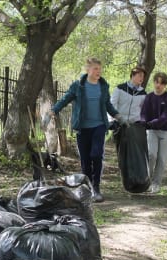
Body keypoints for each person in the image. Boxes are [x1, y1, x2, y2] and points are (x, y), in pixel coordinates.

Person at [48, 57, 123, 202]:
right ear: (87, 70)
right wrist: (54, 110)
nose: (98, 72)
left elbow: (107, 104)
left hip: (99, 125)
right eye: (95, 69)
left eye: (99, 69)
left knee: (96, 154)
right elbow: (66, 99)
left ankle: (96, 187)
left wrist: (117, 115)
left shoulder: (103, 86)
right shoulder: (78, 86)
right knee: (85, 159)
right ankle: (87, 186)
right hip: (82, 127)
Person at [140, 72, 167, 194]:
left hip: (166, 131)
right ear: (154, 82)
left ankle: (156, 183)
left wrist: (151, 122)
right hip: (151, 131)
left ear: (165, 85)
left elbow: (165, 116)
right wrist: (144, 122)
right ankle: (146, 182)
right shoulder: (149, 97)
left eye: (162, 83)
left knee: (162, 159)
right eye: (157, 82)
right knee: (151, 154)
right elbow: (143, 113)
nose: (159, 85)